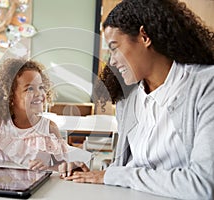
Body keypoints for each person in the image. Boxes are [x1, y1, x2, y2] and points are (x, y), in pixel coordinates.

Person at [59, 0, 214, 199]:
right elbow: (124, 170)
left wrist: (114, 175)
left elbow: (202, 185)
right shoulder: (128, 98)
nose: (112, 61)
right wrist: (90, 171)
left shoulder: (205, 86)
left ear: (144, 36)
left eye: (114, 47)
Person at [0, 58, 67, 171]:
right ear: (9, 97)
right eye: (30, 88)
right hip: (4, 186)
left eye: (41, 87)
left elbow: (63, 167)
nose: (39, 93)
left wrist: (47, 168)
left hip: (39, 186)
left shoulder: (49, 128)